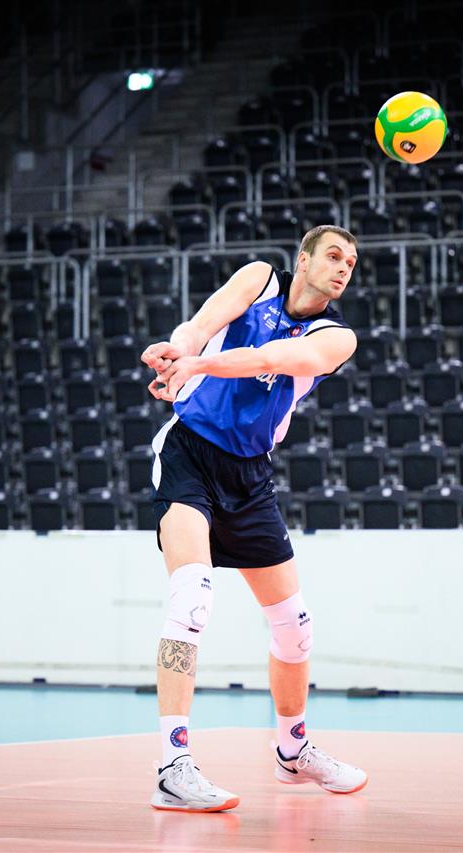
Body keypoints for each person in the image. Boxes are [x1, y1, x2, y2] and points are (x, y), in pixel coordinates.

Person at [139, 224, 369, 812]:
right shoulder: (260, 278)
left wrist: (197, 365)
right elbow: (200, 325)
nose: (343, 268)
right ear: (304, 259)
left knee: (295, 627)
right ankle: (172, 767)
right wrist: (177, 351)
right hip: (191, 453)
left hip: (250, 477)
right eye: (333, 256)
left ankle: (293, 750)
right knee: (192, 598)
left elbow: (268, 358)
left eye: (351, 263)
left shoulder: (336, 337)